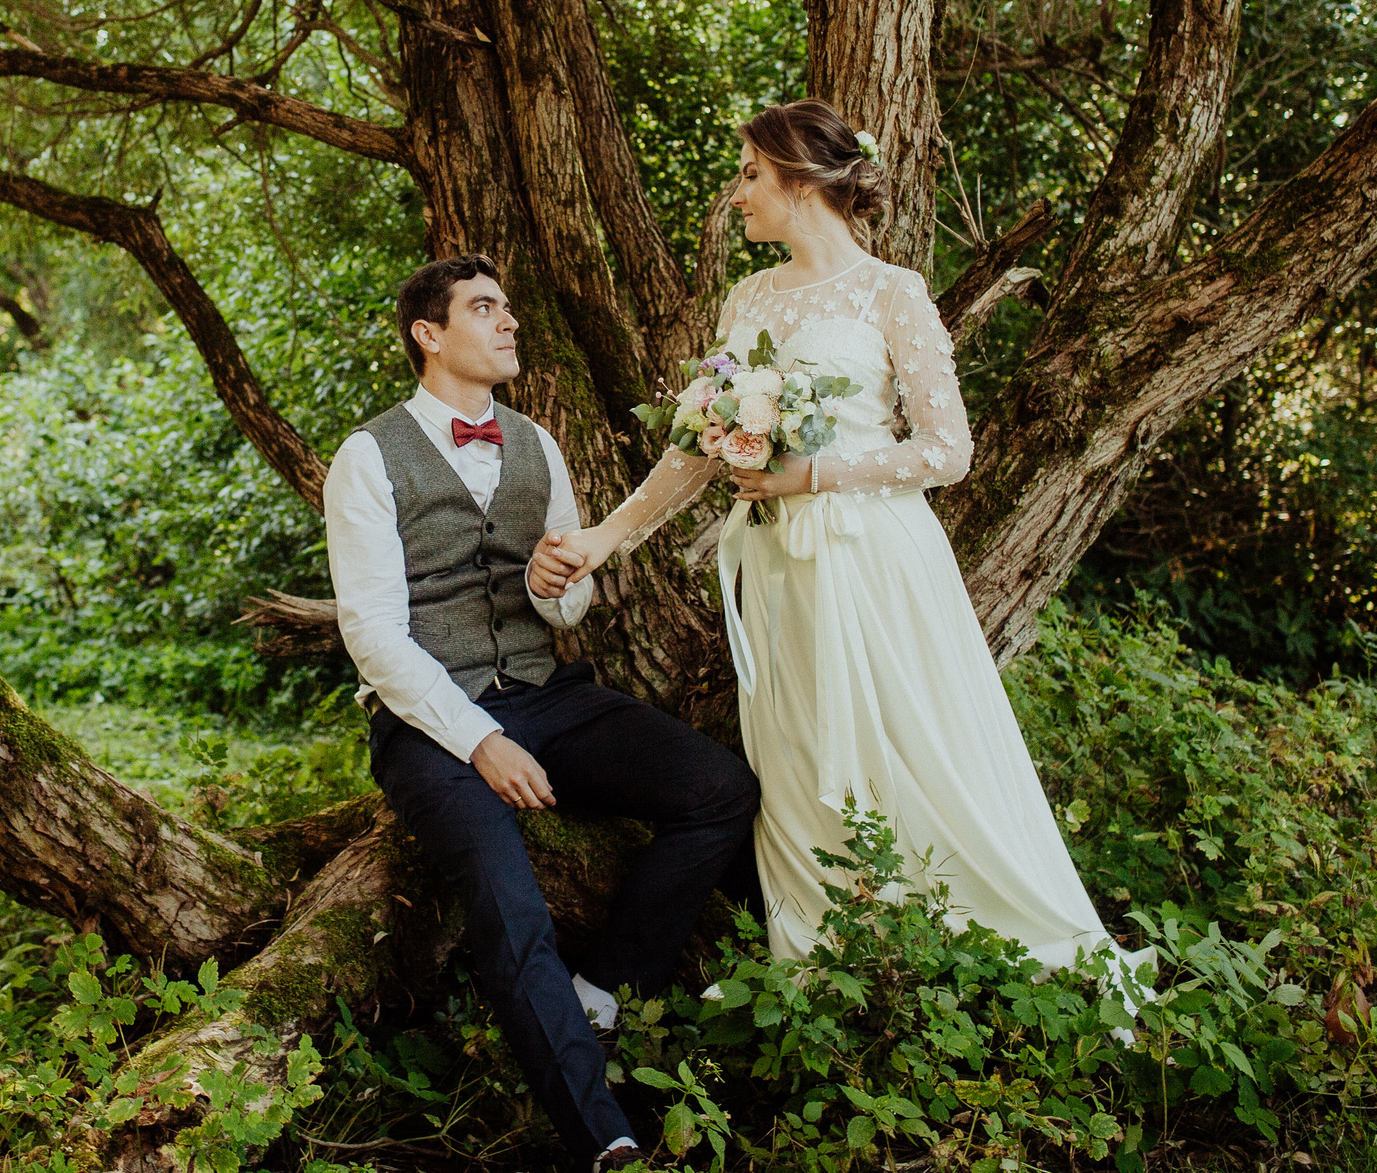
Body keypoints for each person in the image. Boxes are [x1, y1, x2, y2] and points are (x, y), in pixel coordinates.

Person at [533, 101, 1152, 998]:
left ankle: (960, 934)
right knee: (799, 748)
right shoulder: (749, 298)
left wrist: (813, 473)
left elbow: (949, 450)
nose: (737, 193)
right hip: (778, 568)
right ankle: (835, 953)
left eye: (750, 173)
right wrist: (606, 536)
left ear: (800, 179)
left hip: (872, 558)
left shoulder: (892, 291)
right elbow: (694, 446)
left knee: (904, 741)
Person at [325, 254, 763, 1173]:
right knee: (505, 895)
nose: (508, 321)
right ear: (429, 333)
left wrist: (553, 584)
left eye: (508, 306)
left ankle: (602, 989)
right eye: (485, 308)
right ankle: (604, 1137)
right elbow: (372, 634)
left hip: (547, 692)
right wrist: (479, 740)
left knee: (720, 789)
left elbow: (568, 606)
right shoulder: (367, 456)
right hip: (429, 721)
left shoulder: (537, 443)